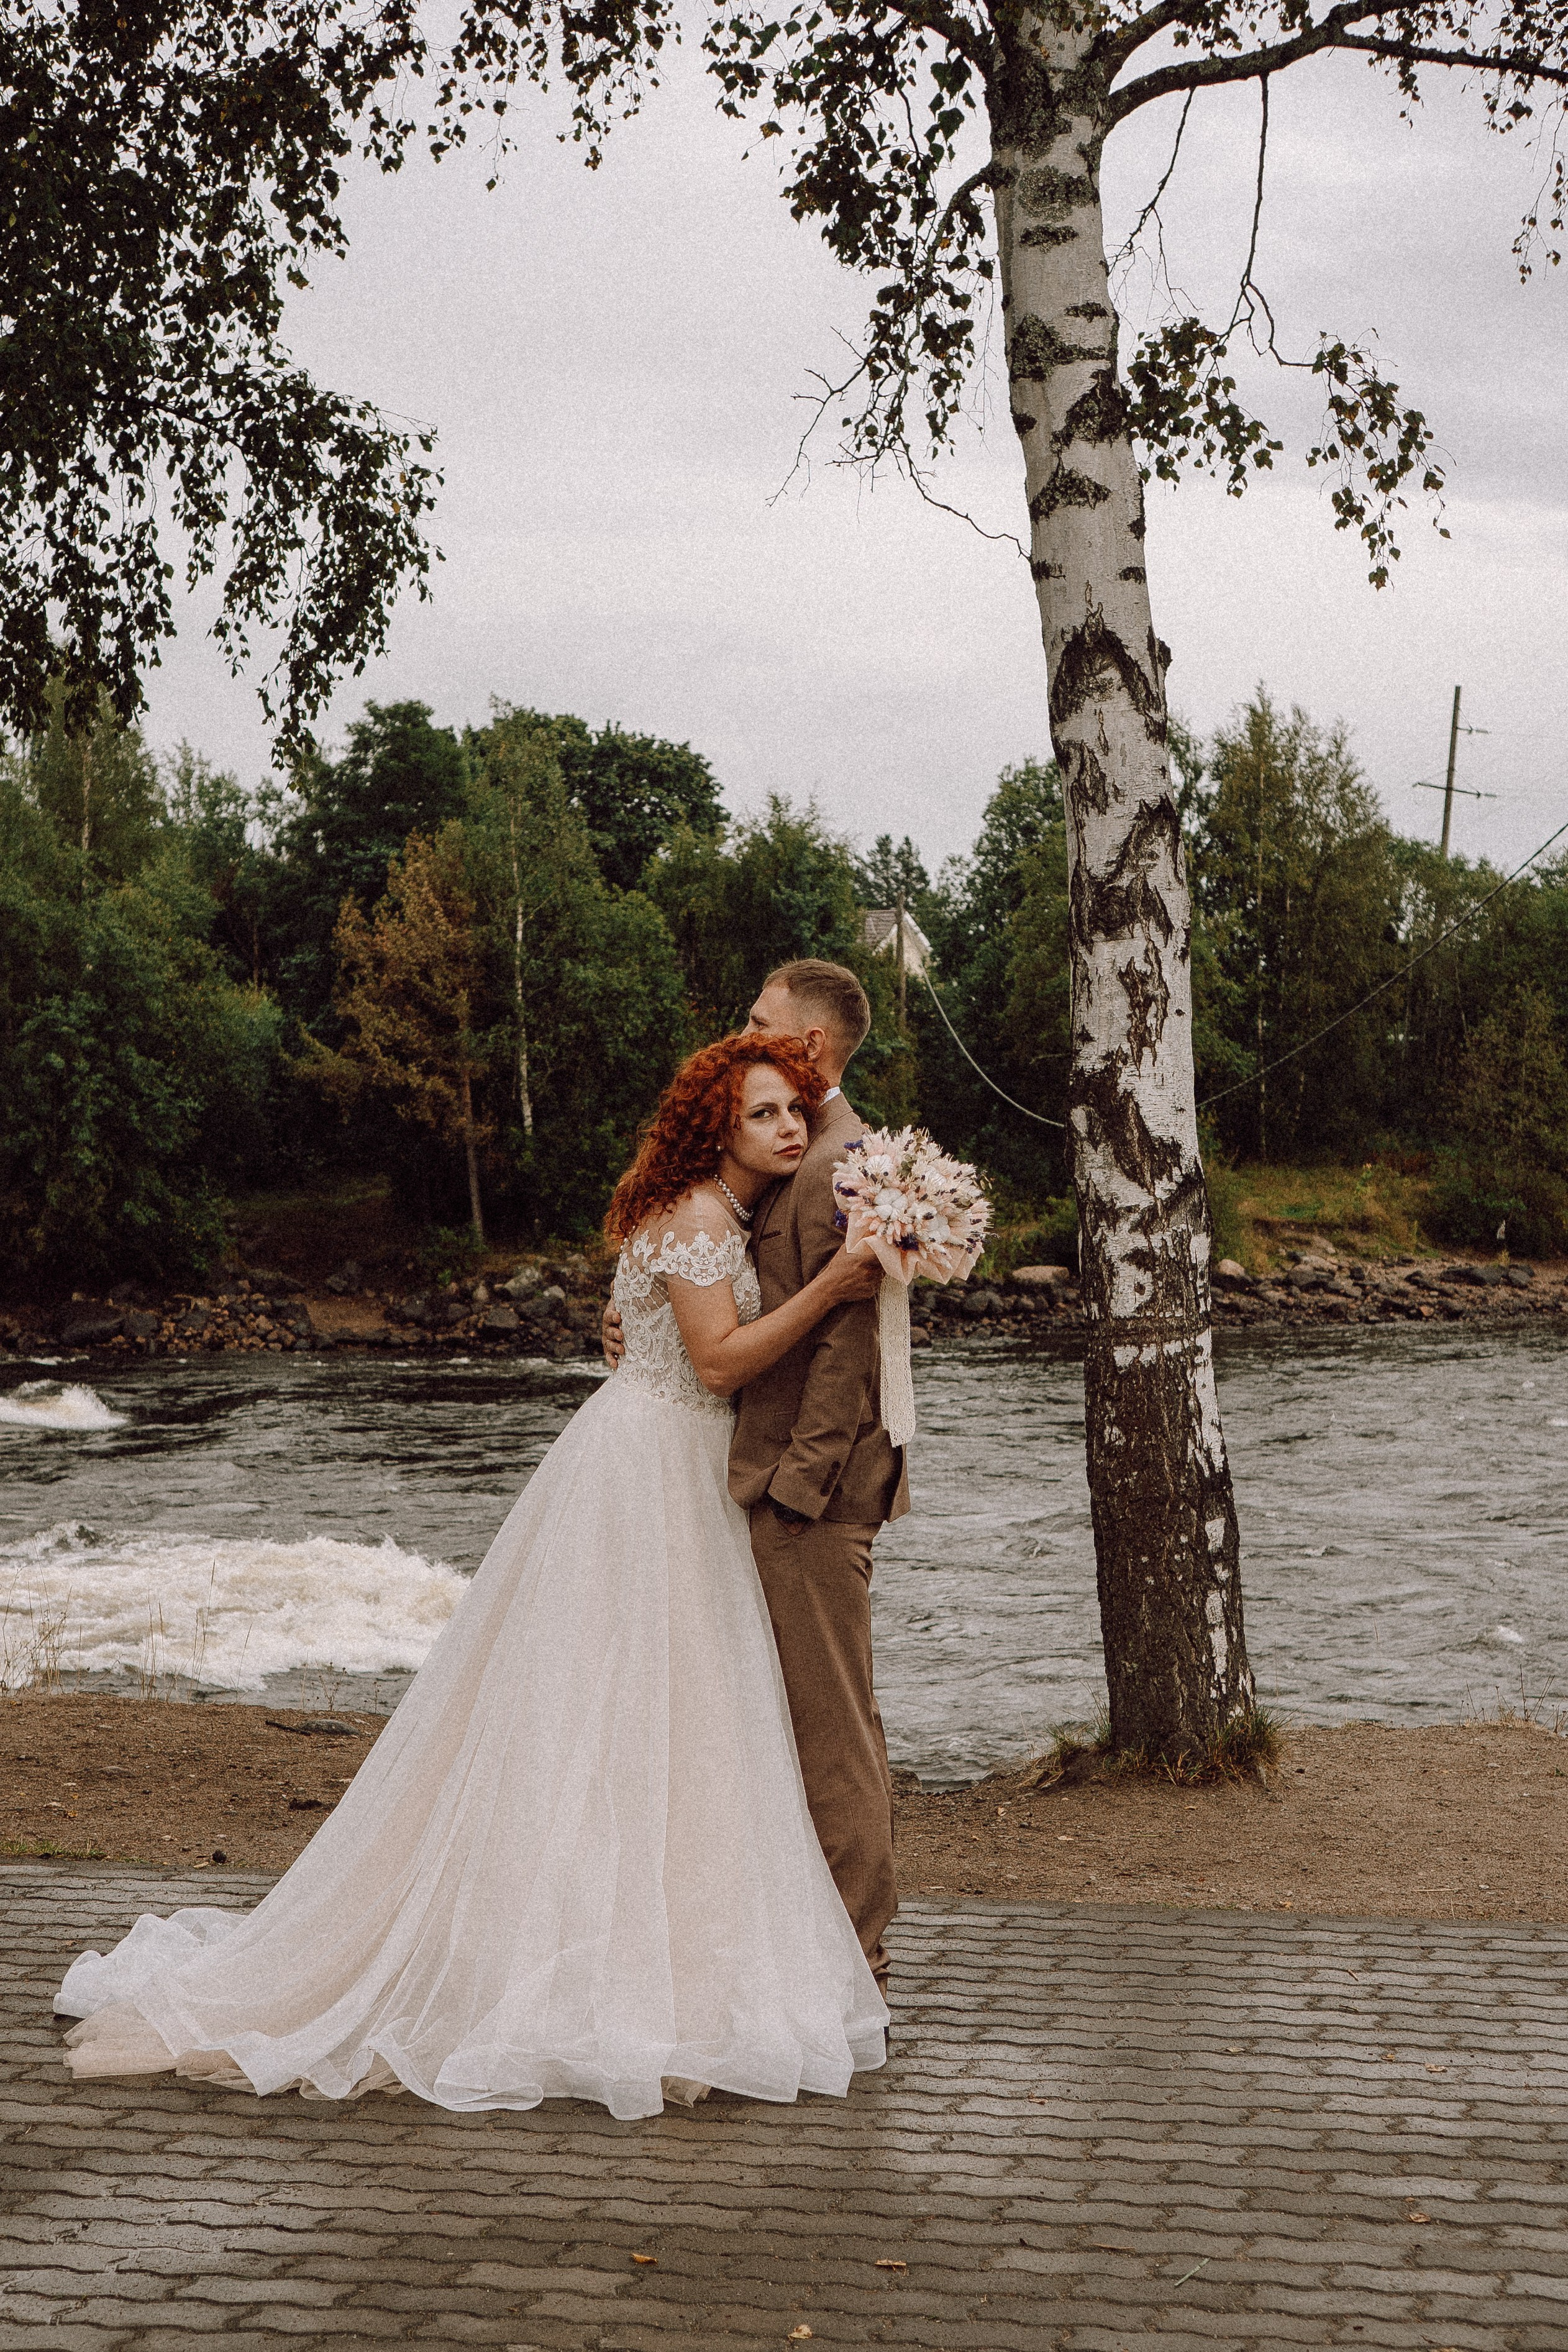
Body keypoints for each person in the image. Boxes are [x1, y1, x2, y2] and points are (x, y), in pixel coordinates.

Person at [53, 1036, 889, 2120]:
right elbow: (721, 1362)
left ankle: (665, 1947)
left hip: (674, 1462)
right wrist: (834, 1284)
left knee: (674, 1719)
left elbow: (676, 1343)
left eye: (793, 1113)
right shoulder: (692, 1218)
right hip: (647, 1476)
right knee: (609, 1712)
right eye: (765, 1114)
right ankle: (574, 1965)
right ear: (715, 1131)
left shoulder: (717, 1216)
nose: (788, 1129)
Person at [604, 960, 908, 2000]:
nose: (743, 1029)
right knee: (769, 1718)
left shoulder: (832, 1166)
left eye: (759, 1019)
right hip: (724, 1467)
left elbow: (849, 1342)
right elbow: (714, 1286)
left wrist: (798, 1488)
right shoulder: (799, 1155)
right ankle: (801, 1943)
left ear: (810, 1049)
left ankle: (857, 1960)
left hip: (802, 1491)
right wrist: (639, 1312)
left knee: (830, 1733)